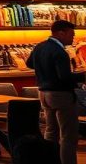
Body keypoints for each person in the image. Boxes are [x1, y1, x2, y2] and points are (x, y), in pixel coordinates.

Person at [27, 19, 84, 164]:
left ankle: (49, 160)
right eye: (71, 35)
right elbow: (64, 77)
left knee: (50, 131)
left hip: (43, 94)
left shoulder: (40, 46)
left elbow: (29, 63)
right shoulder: (59, 52)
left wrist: (45, 71)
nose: (73, 38)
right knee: (68, 135)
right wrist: (83, 76)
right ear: (61, 33)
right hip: (61, 96)